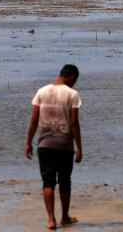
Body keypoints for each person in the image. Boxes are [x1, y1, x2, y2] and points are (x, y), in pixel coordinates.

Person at [25, 64, 83, 230]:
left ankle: (51, 220)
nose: (75, 84)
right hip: (65, 145)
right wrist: (79, 147)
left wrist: (28, 142)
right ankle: (64, 217)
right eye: (75, 80)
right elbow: (74, 123)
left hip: (45, 145)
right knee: (65, 181)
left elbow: (34, 120)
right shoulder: (72, 94)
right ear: (72, 77)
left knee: (48, 182)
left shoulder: (41, 91)